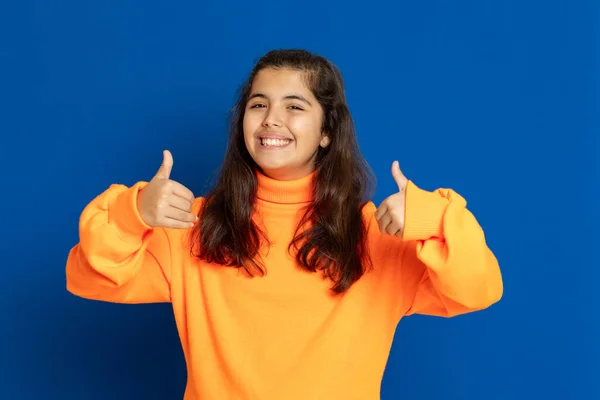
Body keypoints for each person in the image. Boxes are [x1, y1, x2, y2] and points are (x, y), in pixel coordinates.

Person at [65, 49, 503, 400]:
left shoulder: (375, 236)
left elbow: (477, 289)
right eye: (259, 104)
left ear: (327, 131)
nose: (272, 119)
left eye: (294, 106)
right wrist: (133, 212)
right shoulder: (192, 227)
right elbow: (87, 277)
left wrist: (434, 219)